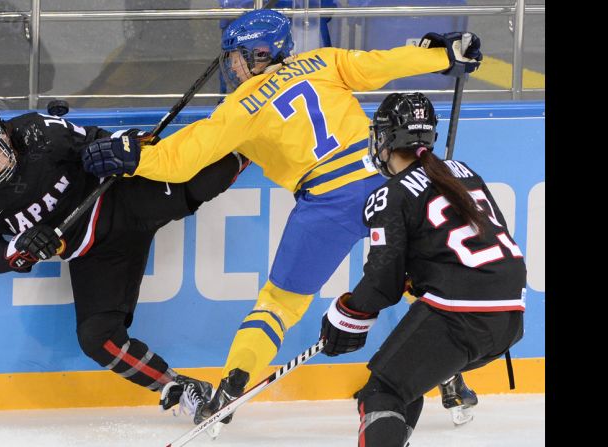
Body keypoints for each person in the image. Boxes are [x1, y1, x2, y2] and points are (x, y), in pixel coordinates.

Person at [80, 9, 483, 425]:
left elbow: (182, 160)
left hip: (327, 201)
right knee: (423, 276)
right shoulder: (324, 61)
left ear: (259, 54)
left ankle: (230, 390)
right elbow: (383, 64)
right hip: (386, 180)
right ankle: (449, 375)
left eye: (236, 56)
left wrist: (133, 158)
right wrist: (444, 54)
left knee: (278, 305)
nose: (231, 65)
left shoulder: (241, 107)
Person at [0, 102, 249, 418]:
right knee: (96, 338)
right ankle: (181, 387)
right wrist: (18, 248)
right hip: (97, 254)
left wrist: (120, 145)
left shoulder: (39, 133)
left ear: (5, 138)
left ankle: (256, 143)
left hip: (122, 197)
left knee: (196, 184)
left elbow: (98, 141)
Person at [319, 92, 525, 446]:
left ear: (385, 139)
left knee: (382, 392)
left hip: (459, 316)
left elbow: (383, 283)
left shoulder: (390, 195)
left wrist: (348, 312)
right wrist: (422, 276)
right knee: (403, 381)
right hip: (509, 315)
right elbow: (483, 242)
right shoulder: (464, 173)